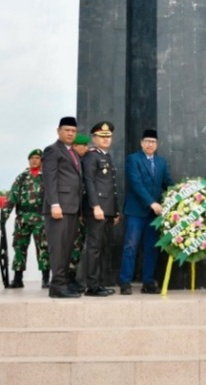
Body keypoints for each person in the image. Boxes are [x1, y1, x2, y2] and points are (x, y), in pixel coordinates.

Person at [120, 129, 174, 295]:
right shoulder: (133, 159)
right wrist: (151, 203)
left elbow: (168, 182)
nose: (150, 144)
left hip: (154, 214)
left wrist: (181, 193)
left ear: (157, 145)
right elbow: (136, 184)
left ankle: (148, 282)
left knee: (152, 247)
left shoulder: (162, 162)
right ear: (141, 143)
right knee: (131, 246)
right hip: (136, 211)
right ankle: (125, 282)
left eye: (153, 142)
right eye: (147, 141)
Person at [42, 116, 84, 298]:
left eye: (73, 131)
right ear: (58, 131)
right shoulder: (52, 150)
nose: (70, 133)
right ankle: (57, 286)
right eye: (67, 130)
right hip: (59, 208)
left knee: (67, 247)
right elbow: (49, 179)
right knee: (58, 248)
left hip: (72, 208)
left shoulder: (73, 152)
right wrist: (55, 204)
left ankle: (64, 282)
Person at [0, 149, 48, 289]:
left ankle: (45, 279)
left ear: (41, 161)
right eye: (31, 158)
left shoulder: (46, 177)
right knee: (19, 248)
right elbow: (12, 197)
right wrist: (5, 215)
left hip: (41, 218)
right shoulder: (21, 177)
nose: (34, 160)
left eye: (37, 158)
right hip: (23, 218)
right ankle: (17, 279)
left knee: (44, 248)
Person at [82, 121, 120, 296]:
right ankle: (92, 285)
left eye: (108, 137)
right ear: (94, 138)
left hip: (107, 210)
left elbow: (112, 187)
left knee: (102, 247)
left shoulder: (107, 157)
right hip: (97, 210)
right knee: (94, 248)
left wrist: (115, 210)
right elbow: (89, 182)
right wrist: (95, 206)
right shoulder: (91, 156)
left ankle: (99, 283)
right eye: (102, 137)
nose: (106, 140)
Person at [65, 133, 91, 294]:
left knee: (77, 247)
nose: (87, 149)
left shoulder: (81, 163)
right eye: (84, 146)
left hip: (80, 213)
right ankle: (65, 279)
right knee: (69, 246)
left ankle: (72, 278)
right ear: (75, 146)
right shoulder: (69, 163)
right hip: (70, 213)